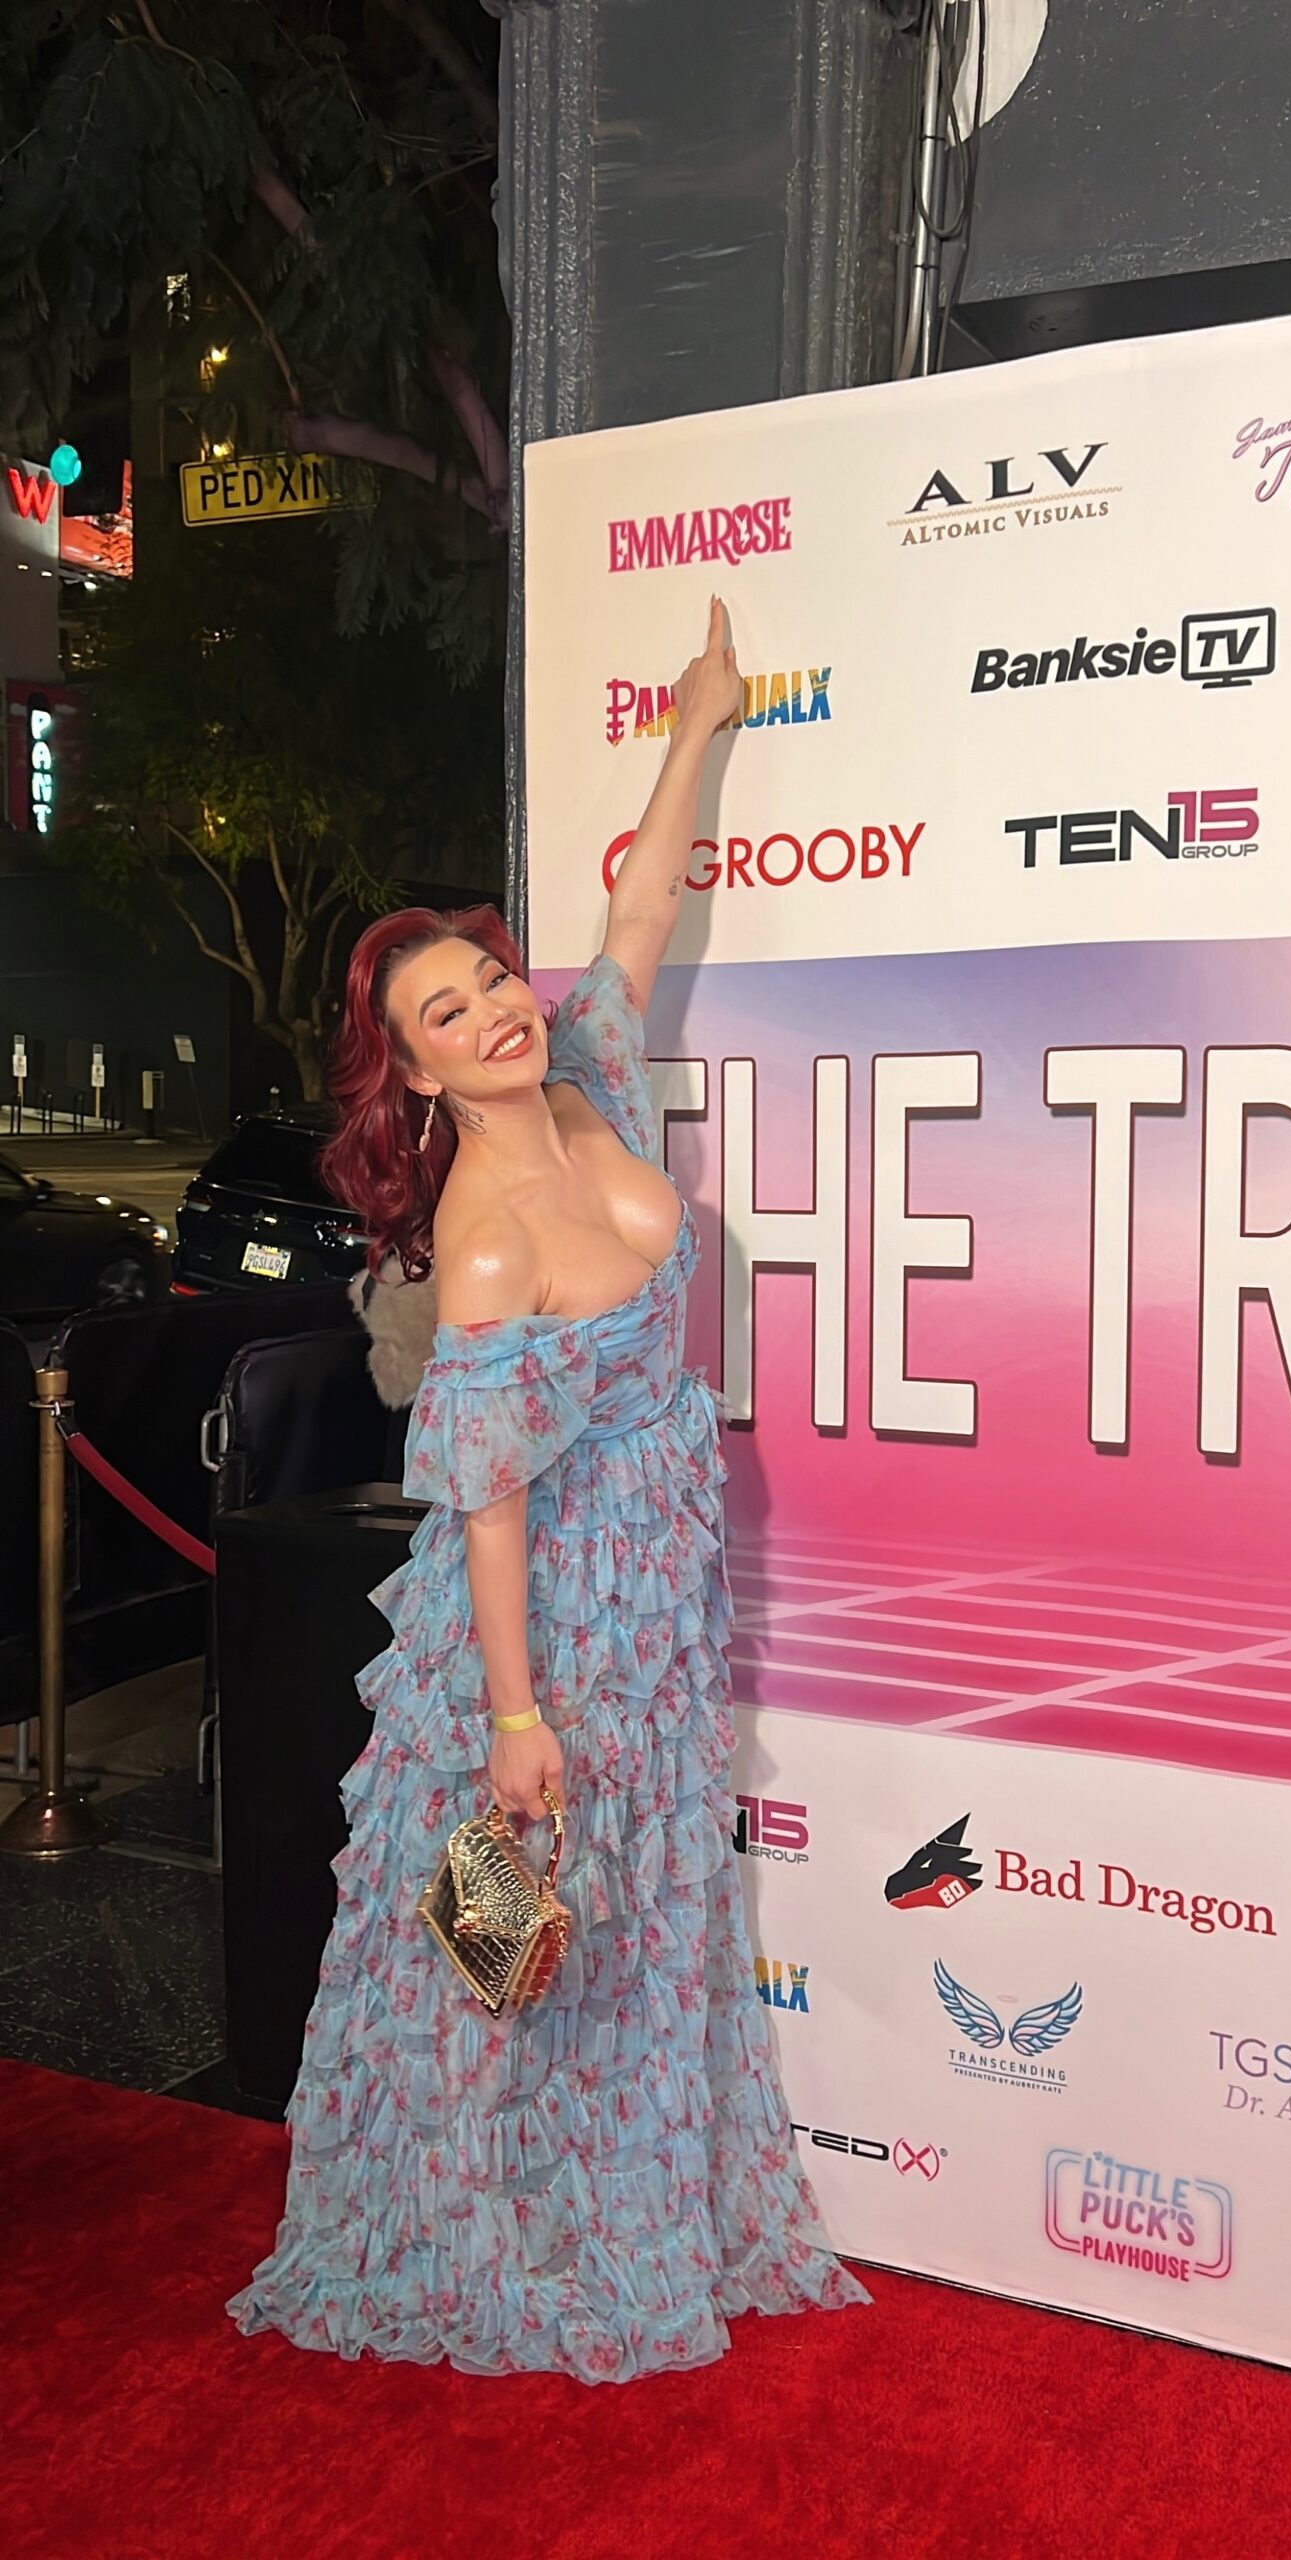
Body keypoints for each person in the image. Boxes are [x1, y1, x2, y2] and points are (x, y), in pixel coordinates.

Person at [226, 598, 868, 2382]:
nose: (496, 1013)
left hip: (654, 1579)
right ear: (416, 1069)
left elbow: (640, 914)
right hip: (541, 1613)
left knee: (632, 1910)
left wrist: (696, 727)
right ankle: (473, 2225)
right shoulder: (485, 1238)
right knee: (512, 1927)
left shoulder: (589, 1076)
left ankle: (618, 2202)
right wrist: (513, 1715)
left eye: (492, 981)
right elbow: (489, 1505)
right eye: (448, 1013)